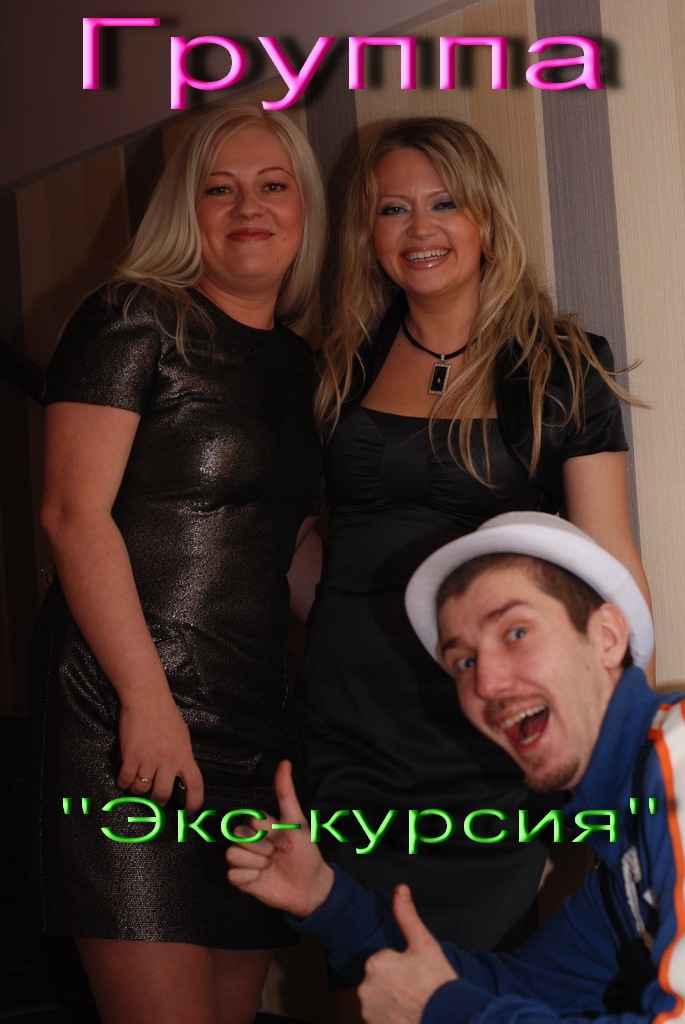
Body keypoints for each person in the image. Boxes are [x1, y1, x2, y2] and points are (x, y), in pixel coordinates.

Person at [294, 116, 652, 953]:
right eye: (392, 209)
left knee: (481, 963)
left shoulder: (563, 364)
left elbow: (610, 562)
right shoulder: (338, 361)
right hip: (347, 723)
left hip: (483, 719)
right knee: (362, 960)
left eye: (444, 203)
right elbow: (304, 538)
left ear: (486, 217)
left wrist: (625, 742)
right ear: (368, 233)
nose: (419, 229)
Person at [29, 104, 326, 1024]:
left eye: (272, 185)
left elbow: (286, 546)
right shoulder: (132, 317)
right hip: (123, 715)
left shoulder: (302, 365)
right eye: (219, 188)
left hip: (249, 723)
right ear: (183, 209)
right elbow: (71, 515)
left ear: (305, 208)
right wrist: (147, 701)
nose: (249, 208)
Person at [226, 511, 684, 1024]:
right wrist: (324, 899)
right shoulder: (625, 850)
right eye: (463, 662)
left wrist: (444, 1009)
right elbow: (519, 988)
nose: (484, 684)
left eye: (516, 633)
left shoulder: (678, 757)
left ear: (606, 637)